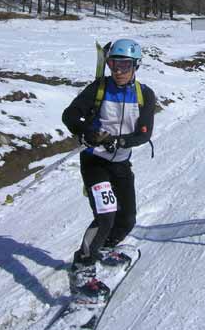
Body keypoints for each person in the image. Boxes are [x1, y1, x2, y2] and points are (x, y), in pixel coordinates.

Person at [62, 38, 155, 296]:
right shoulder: (99, 88)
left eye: (125, 65)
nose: (119, 71)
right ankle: (82, 269)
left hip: (121, 162)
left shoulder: (144, 94)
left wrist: (120, 141)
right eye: (114, 64)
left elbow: (144, 133)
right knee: (106, 215)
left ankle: (104, 247)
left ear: (136, 66)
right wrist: (87, 132)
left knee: (127, 219)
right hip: (95, 161)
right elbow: (70, 115)